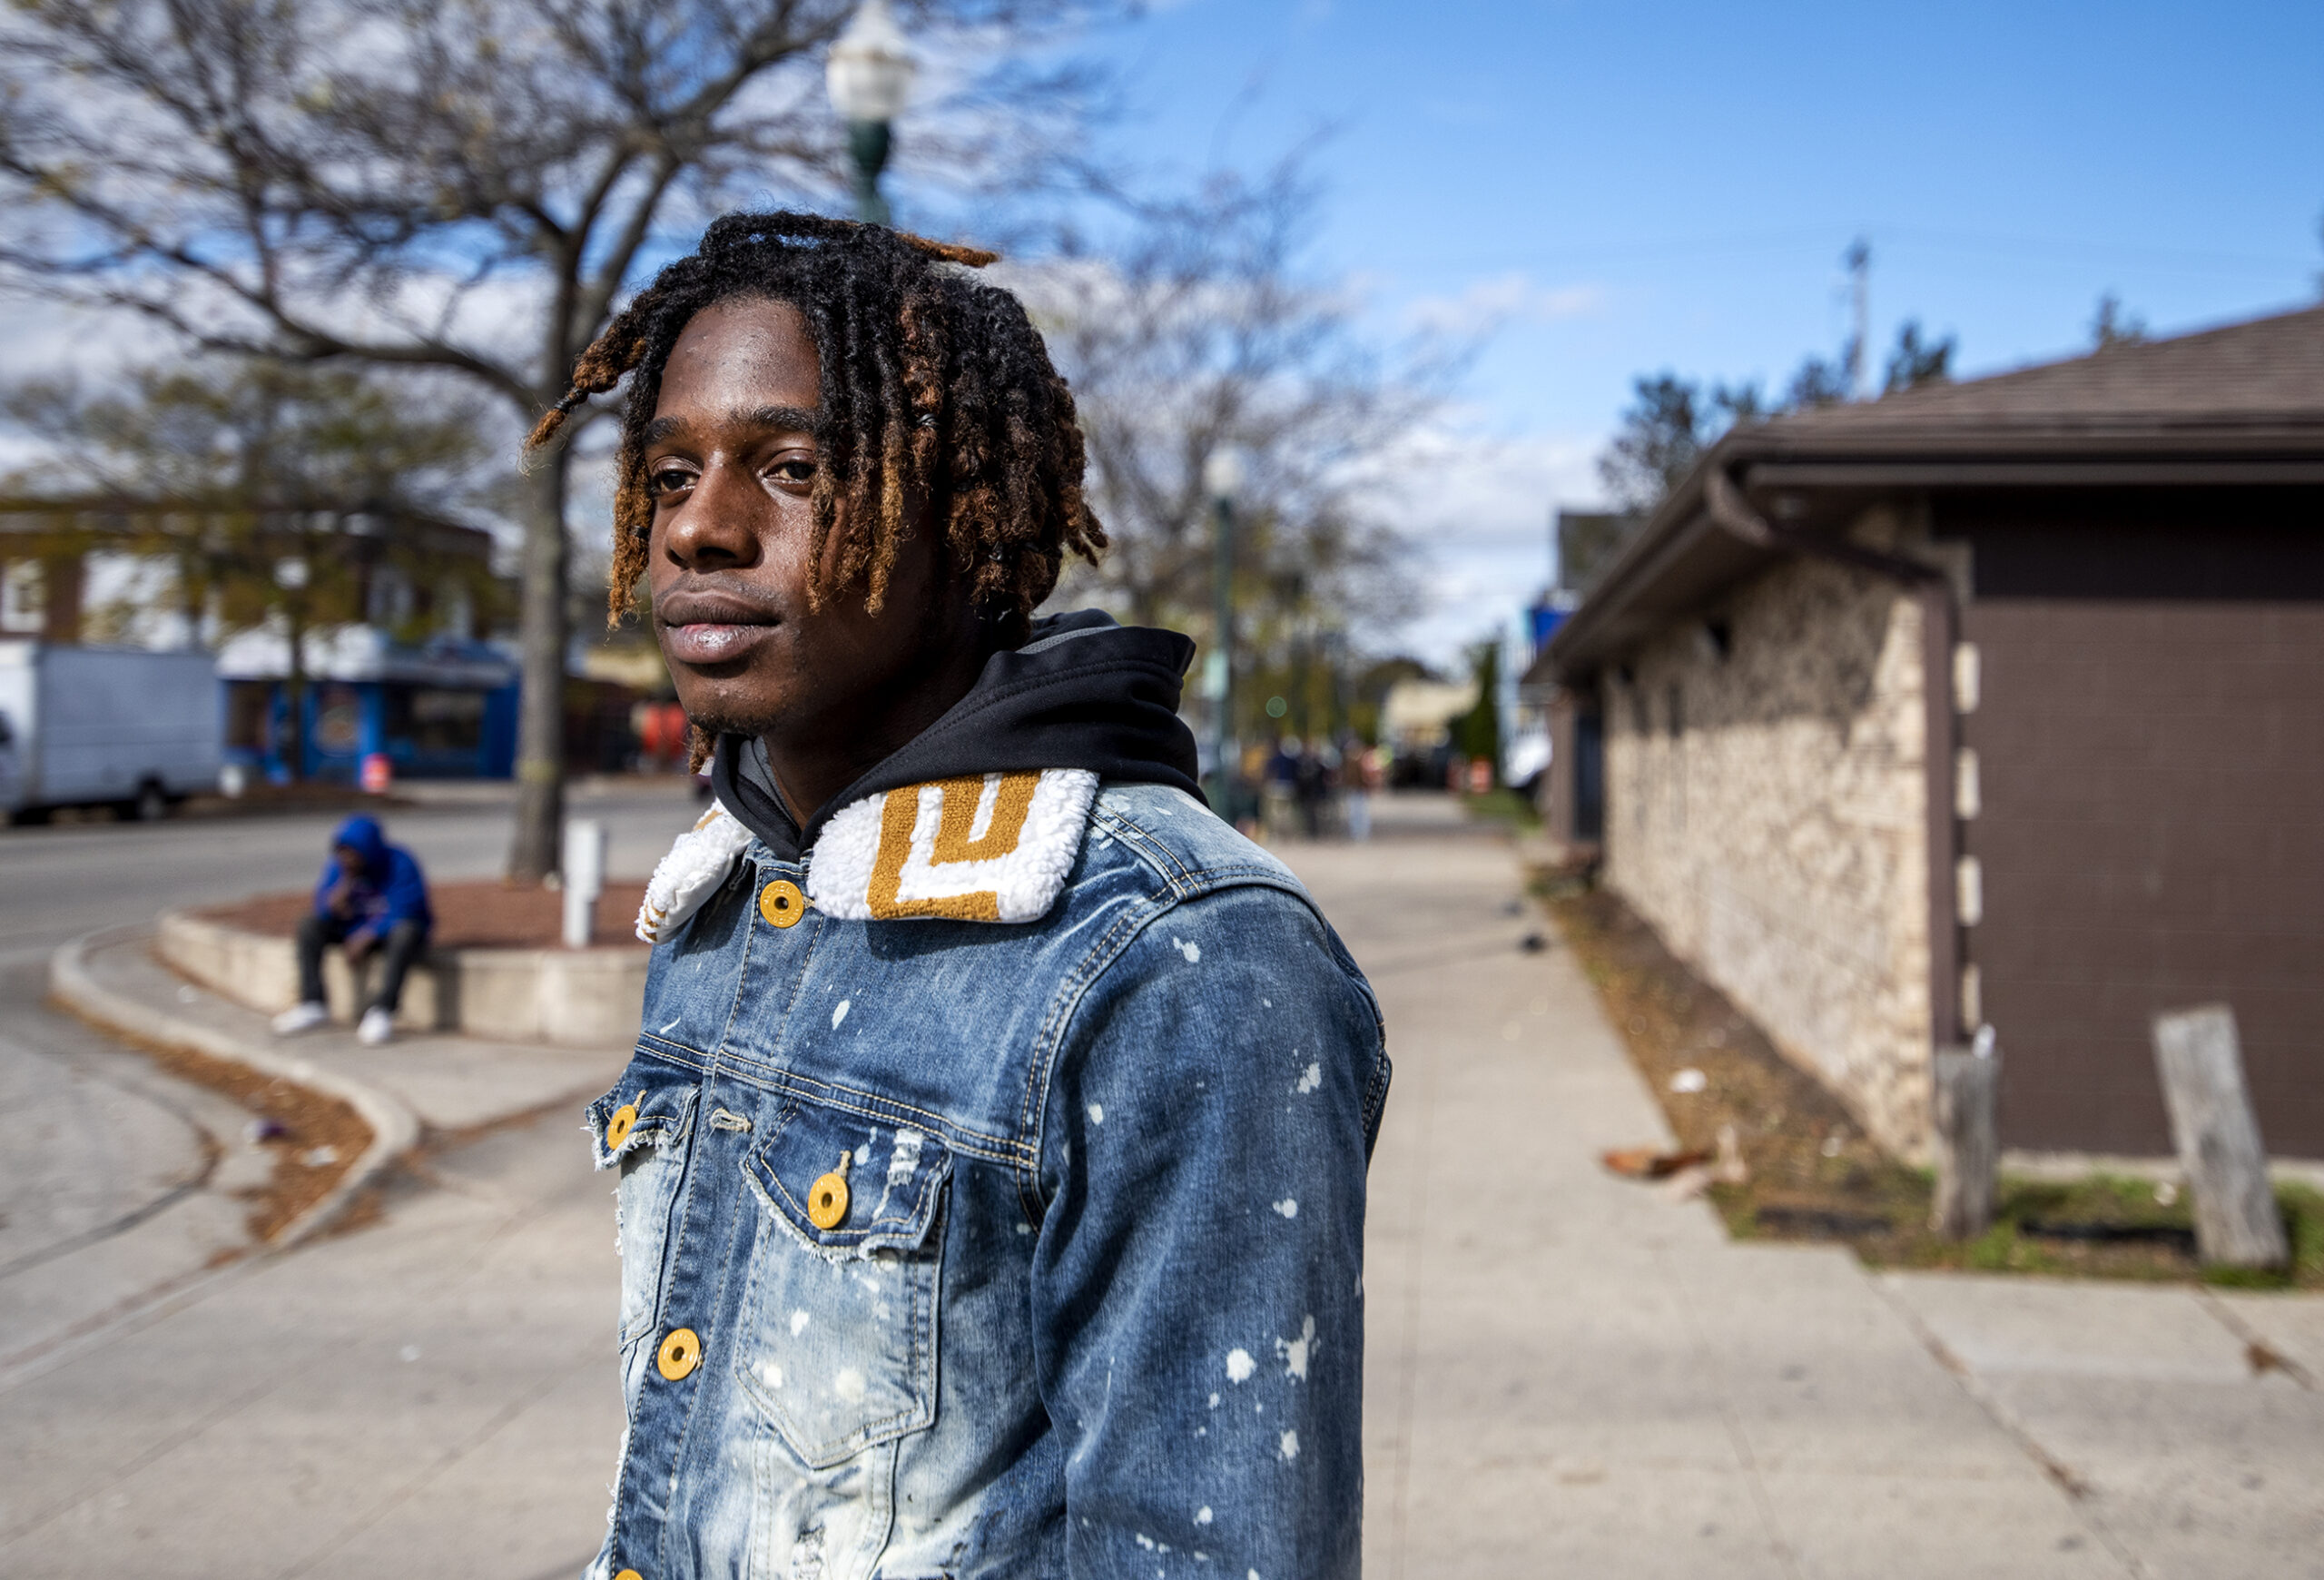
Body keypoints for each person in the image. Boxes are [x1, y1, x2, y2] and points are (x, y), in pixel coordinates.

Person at [527, 212, 1388, 1580]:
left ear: (960, 502)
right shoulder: (730, 891)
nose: (698, 524)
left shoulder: (1184, 955)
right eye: (672, 470)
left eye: (791, 467)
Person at [270, 815, 433, 1047]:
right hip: (352, 931)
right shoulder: (339, 868)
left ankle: (382, 1011)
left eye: (352, 852)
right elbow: (321, 906)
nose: (346, 858)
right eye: (341, 852)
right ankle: (313, 1004)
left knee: (406, 931)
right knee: (308, 924)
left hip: (388, 934)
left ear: (368, 849)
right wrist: (333, 903)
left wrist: (370, 934)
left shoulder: (399, 863)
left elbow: (408, 908)